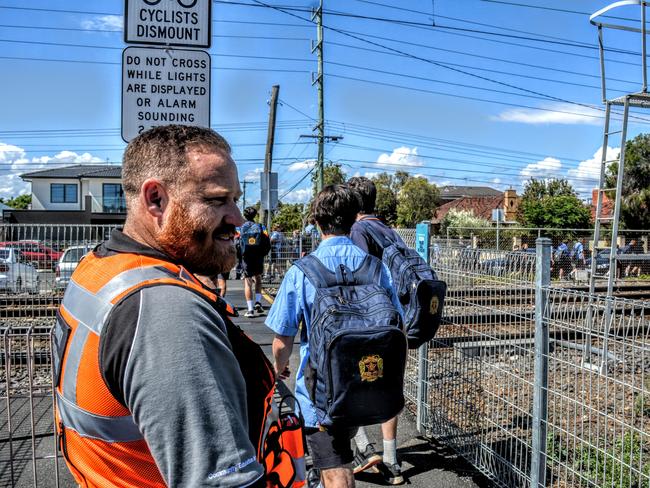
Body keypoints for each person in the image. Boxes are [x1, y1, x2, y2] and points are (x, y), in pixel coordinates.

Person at [52, 125, 278, 487]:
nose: (237, 218)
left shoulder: (99, 267)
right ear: (155, 198)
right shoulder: (167, 312)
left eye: (236, 199)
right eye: (218, 200)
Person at [265, 185, 403, 488]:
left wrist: (279, 370)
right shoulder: (376, 268)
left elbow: (281, 340)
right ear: (354, 218)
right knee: (341, 451)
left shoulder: (302, 271)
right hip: (369, 388)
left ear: (316, 221)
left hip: (321, 395)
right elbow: (398, 325)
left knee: (335, 467)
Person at [347, 176, 406, 485]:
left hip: (369, 317)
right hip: (395, 319)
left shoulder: (358, 230)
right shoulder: (389, 230)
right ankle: (392, 458)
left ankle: (361, 446)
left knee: (356, 381)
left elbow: (359, 274)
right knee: (388, 387)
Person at [240, 207, 271, 317]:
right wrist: (263, 253)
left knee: (247, 282)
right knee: (258, 278)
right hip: (258, 257)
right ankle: (258, 302)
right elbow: (267, 241)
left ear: (245, 216)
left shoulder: (241, 228)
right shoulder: (261, 227)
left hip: (246, 258)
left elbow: (236, 243)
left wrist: (240, 256)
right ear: (255, 215)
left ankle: (250, 309)